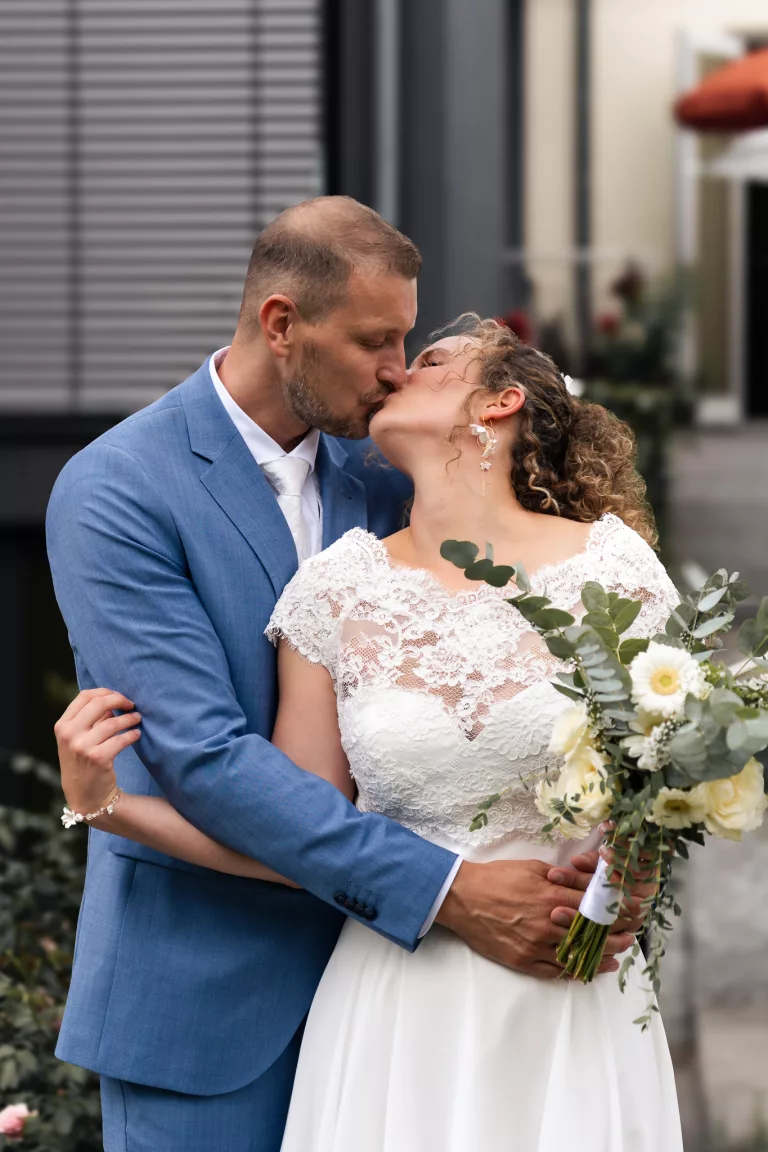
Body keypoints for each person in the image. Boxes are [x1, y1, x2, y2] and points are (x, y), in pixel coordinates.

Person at [47, 199, 642, 1152]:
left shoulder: (392, 476)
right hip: (212, 1001)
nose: (397, 368)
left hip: (412, 1012)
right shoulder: (117, 489)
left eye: (408, 340)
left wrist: (617, 870)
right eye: (375, 341)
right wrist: (450, 892)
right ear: (283, 324)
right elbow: (204, 757)